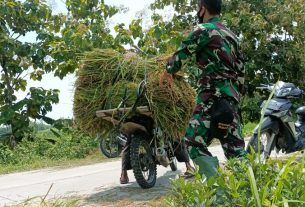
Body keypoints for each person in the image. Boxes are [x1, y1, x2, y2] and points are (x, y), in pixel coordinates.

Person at [160, 0, 247, 179]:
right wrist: (234, 98)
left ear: (203, 8)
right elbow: (241, 71)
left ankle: (218, 189)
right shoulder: (232, 35)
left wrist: (167, 72)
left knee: (192, 140)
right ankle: (250, 191)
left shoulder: (203, 30)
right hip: (230, 98)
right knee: (235, 149)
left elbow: (179, 58)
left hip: (211, 96)